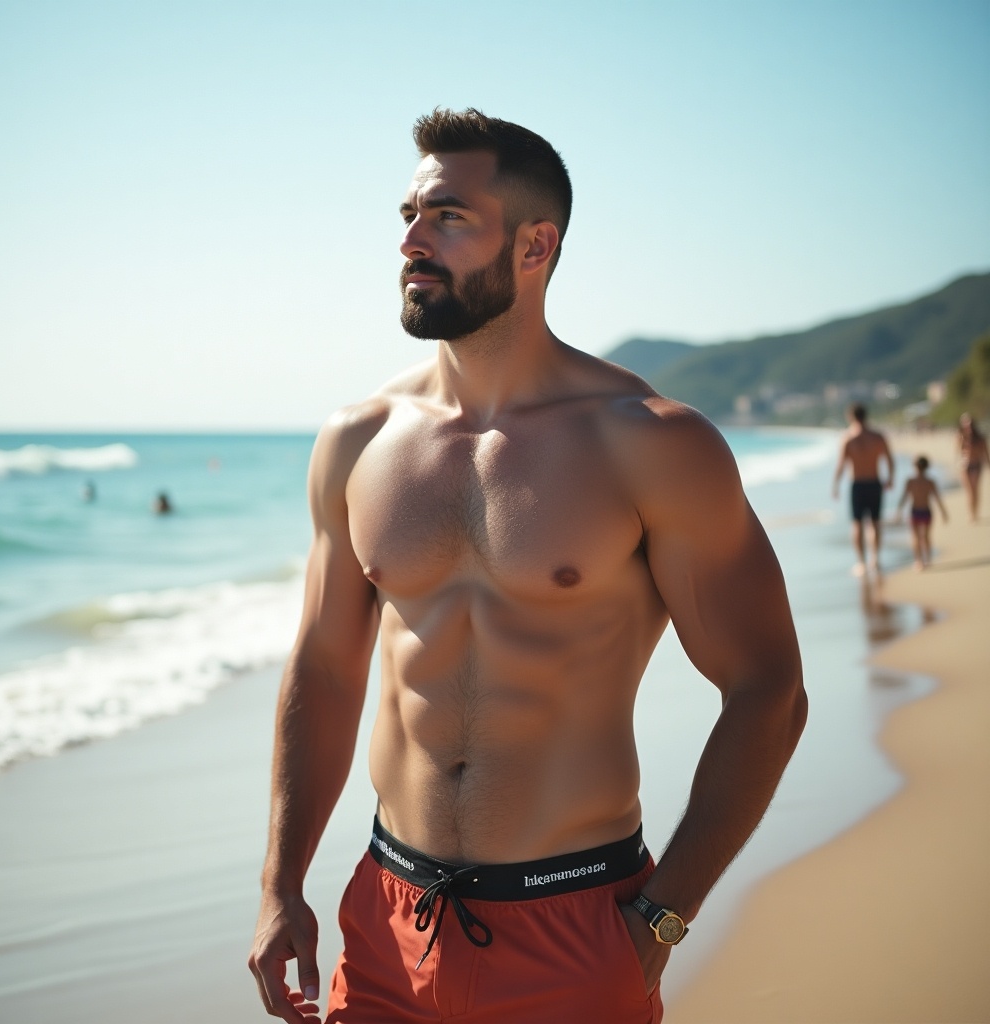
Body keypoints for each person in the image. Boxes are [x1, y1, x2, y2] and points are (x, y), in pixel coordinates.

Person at [248, 108, 807, 1024]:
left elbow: (770, 688)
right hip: (388, 922)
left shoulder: (650, 444)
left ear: (536, 244)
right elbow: (325, 666)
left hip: (578, 922)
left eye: (447, 218)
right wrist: (281, 884)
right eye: (409, 214)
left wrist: (661, 920)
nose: (410, 241)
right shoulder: (359, 441)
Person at [832, 404, 894, 577]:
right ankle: (875, 560)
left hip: (857, 485)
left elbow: (841, 464)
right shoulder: (878, 437)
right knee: (875, 523)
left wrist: (836, 485)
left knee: (857, 525)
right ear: (866, 416)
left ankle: (861, 563)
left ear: (851, 417)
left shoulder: (848, 438)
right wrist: (890, 478)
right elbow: (889, 459)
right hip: (875, 482)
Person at [896, 456, 948, 570]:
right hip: (926, 511)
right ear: (927, 467)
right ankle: (927, 559)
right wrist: (943, 512)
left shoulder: (910, 481)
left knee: (916, 537)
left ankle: (918, 561)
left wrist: (898, 511)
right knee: (926, 536)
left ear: (914, 466)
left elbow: (904, 497)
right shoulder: (929, 482)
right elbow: (937, 498)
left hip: (915, 512)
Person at [957, 413, 990, 521]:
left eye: (969, 424)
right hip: (965, 466)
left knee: (975, 490)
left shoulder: (980, 438)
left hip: (976, 465)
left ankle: (975, 512)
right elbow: (959, 451)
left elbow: (985, 453)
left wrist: (988, 465)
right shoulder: (961, 436)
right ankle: (972, 514)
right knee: (970, 490)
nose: (968, 426)